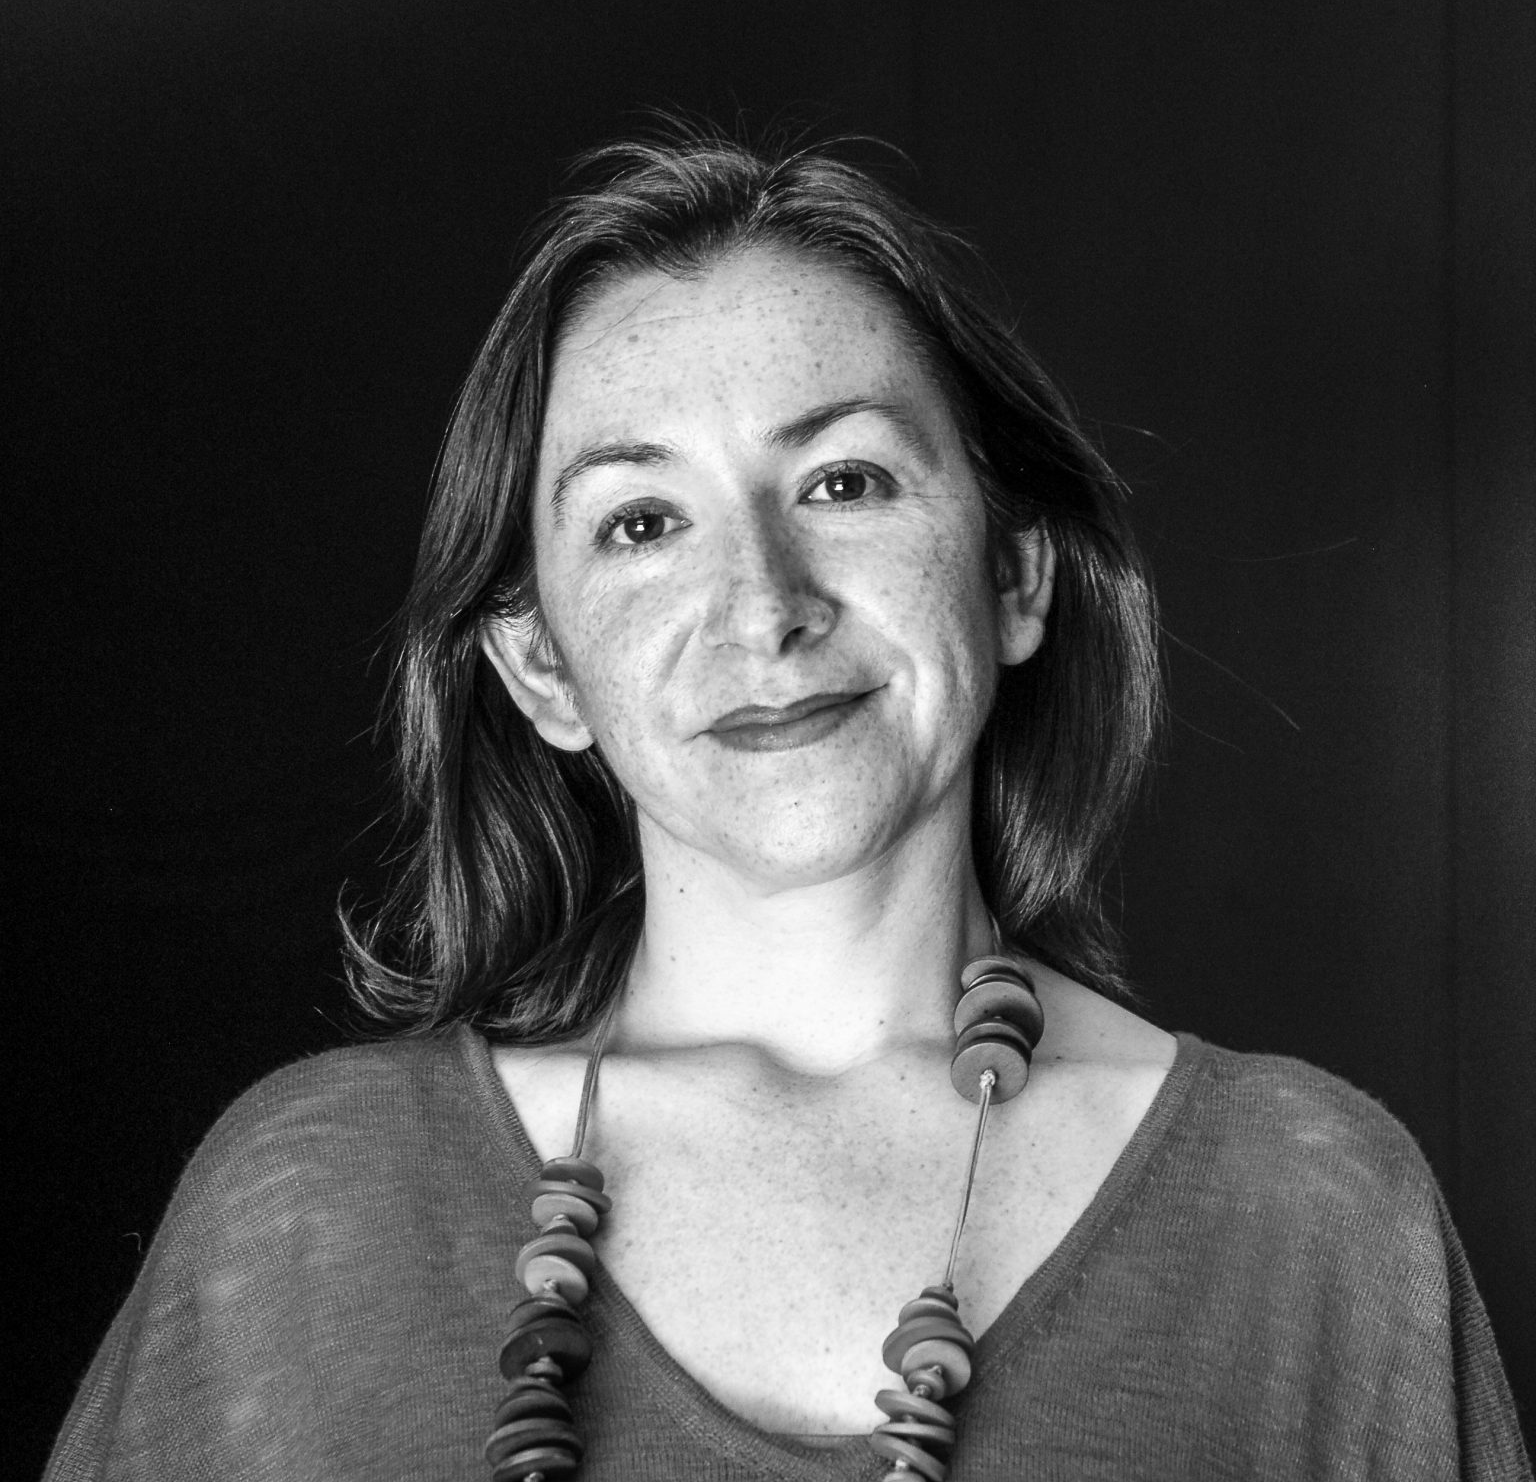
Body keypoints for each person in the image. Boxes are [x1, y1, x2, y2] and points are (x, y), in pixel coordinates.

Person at [46, 127, 1531, 1482]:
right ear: (543, 666)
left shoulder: (1310, 1220)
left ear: (1014, 573)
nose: (764, 605)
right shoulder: (311, 1213)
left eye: (844, 483)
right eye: (643, 522)